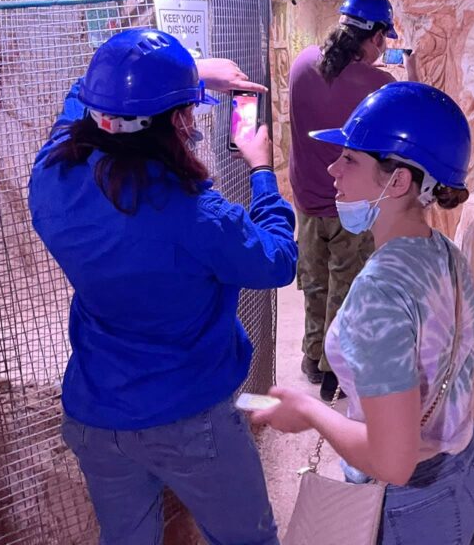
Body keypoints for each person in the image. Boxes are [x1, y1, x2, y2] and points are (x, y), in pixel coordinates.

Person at [28, 28, 298, 545]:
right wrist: (261, 168)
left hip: (95, 415)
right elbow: (278, 261)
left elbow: (86, 93)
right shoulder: (196, 215)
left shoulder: (51, 177)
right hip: (191, 420)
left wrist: (188, 73)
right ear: (178, 121)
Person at [253, 81, 474, 545]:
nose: (332, 169)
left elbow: (392, 462)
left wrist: (308, 409)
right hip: (470, 474)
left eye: (350, 158)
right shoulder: (444, 253)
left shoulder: (379, 294)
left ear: (399, 180)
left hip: (418, 511)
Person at [289, 0, 403, 399]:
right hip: (351, 205)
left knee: (315, 282)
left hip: (305, 200)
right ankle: (334, 369)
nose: (381, 49)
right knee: (348, 284)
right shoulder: (379, 85)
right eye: (382, 41)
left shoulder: (301, 63)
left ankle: (311, 357)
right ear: (374, 37)